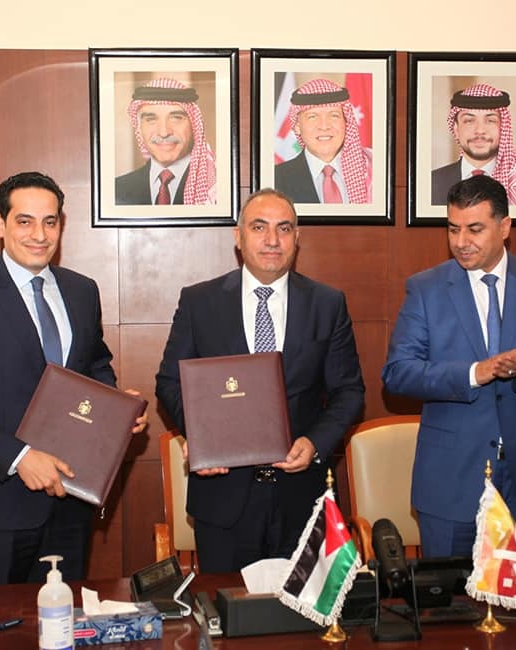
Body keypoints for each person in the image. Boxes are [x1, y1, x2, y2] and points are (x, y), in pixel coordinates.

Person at [0, 171, 148, 586]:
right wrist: (19, 457)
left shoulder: (82, 291)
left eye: (50, 221)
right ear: (1, 225)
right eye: (25, 221)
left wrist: (118, 409)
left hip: (70, 500)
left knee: (62, 619)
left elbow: (94, 366)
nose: (39, 235)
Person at [155, 188, 365, 572]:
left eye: (284, 228)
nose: (272, 240)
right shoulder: (200, 302)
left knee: (301, 608)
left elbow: (348, 391)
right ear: (238, 237)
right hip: (223, 498)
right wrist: (202, 439)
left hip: (302, 497)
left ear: (297, 238)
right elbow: (170, 382)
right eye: (259, 227)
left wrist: (315, 443)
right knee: (224, 605)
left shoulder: (327, 303)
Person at [382, 175, 516, 558]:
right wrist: (475, 373)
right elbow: (398, 373)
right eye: (453, 229)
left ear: (504, 226)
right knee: (450, 595)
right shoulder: (425, 289)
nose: (461, 241)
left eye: (474, 229)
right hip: (452, 484)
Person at [115, 78, 216, 205]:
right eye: (151, 119)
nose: (164, 133)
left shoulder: (216, 189)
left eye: (176, 118)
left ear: (194, 125)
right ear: (139, 128)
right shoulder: (116, 190)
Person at [274, 78, 372, 204]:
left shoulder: (372, 170)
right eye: (313, 117)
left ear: (346, 121)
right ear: (297, 126)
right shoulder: (276, 179)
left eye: (334, 115)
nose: (324, 126)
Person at [431, 83, 516, 206]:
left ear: (503, 128)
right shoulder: (432, 182)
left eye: (490, 121)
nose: (480, 130)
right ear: (456, 129)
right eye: (469, 121)